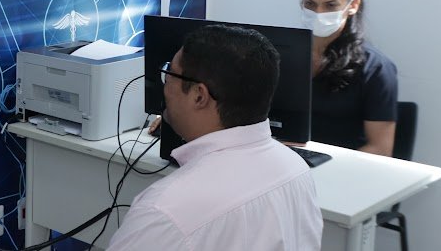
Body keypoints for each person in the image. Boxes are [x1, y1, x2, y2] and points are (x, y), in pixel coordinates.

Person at [108, 24, 322, 251]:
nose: (164, 83)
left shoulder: (165, 211)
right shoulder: (296, 170)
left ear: (199, 96)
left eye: (169, 73)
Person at [301, 0, 398, 156]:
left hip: (342, 166)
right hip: (287, 162)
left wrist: (323, 166)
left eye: (330, 5)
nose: (318, 13)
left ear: (353, 6)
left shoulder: (376, 68)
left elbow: (380, 148)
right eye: (310, 4)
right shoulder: (284, 55)